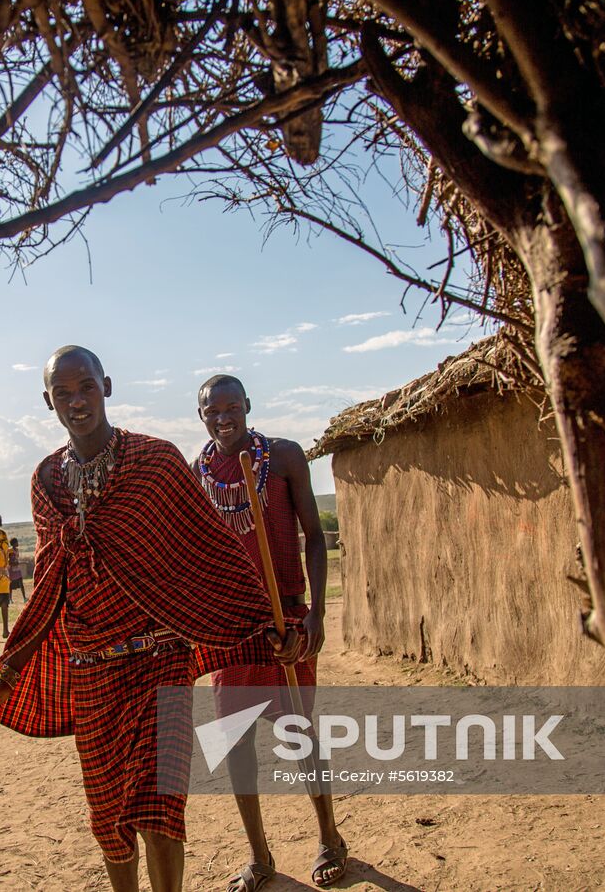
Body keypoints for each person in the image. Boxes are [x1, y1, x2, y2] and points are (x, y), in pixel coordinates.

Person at [0, 346, 304, 892]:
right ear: (46, 399)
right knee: (109, 818)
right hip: (92, 668)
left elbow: (210, 553)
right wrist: (7, 673)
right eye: (63, 392)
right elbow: (50, 584)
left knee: (159, 809)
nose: (77, 401)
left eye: (87, 387)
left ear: (108, 386)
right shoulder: (48, 479)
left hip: (159, 661)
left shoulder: (157, 462)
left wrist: (268, 624)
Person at [194, 374, 347, 890]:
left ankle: (330, 836)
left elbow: (313, 537)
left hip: (286, 621)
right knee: (235, 742)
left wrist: (316, 614)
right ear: (201, 416)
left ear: (247, 406)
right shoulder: (200, 474)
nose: (222, 418)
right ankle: (259, 856)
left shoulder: (282, 457)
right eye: (212, 411)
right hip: (233, 630)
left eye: (231, 407)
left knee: (300, 732)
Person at [7, 537, 28, 602]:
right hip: (11, 569)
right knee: (10, 584)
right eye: (16, 542)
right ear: (13, 543)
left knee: (21, 583)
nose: (17, 543)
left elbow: (16, 558)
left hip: (17, 568)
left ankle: (24, 598)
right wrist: (14, 563)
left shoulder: (17, 550)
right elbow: (9, 560)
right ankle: (10, 599)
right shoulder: (10, 550)